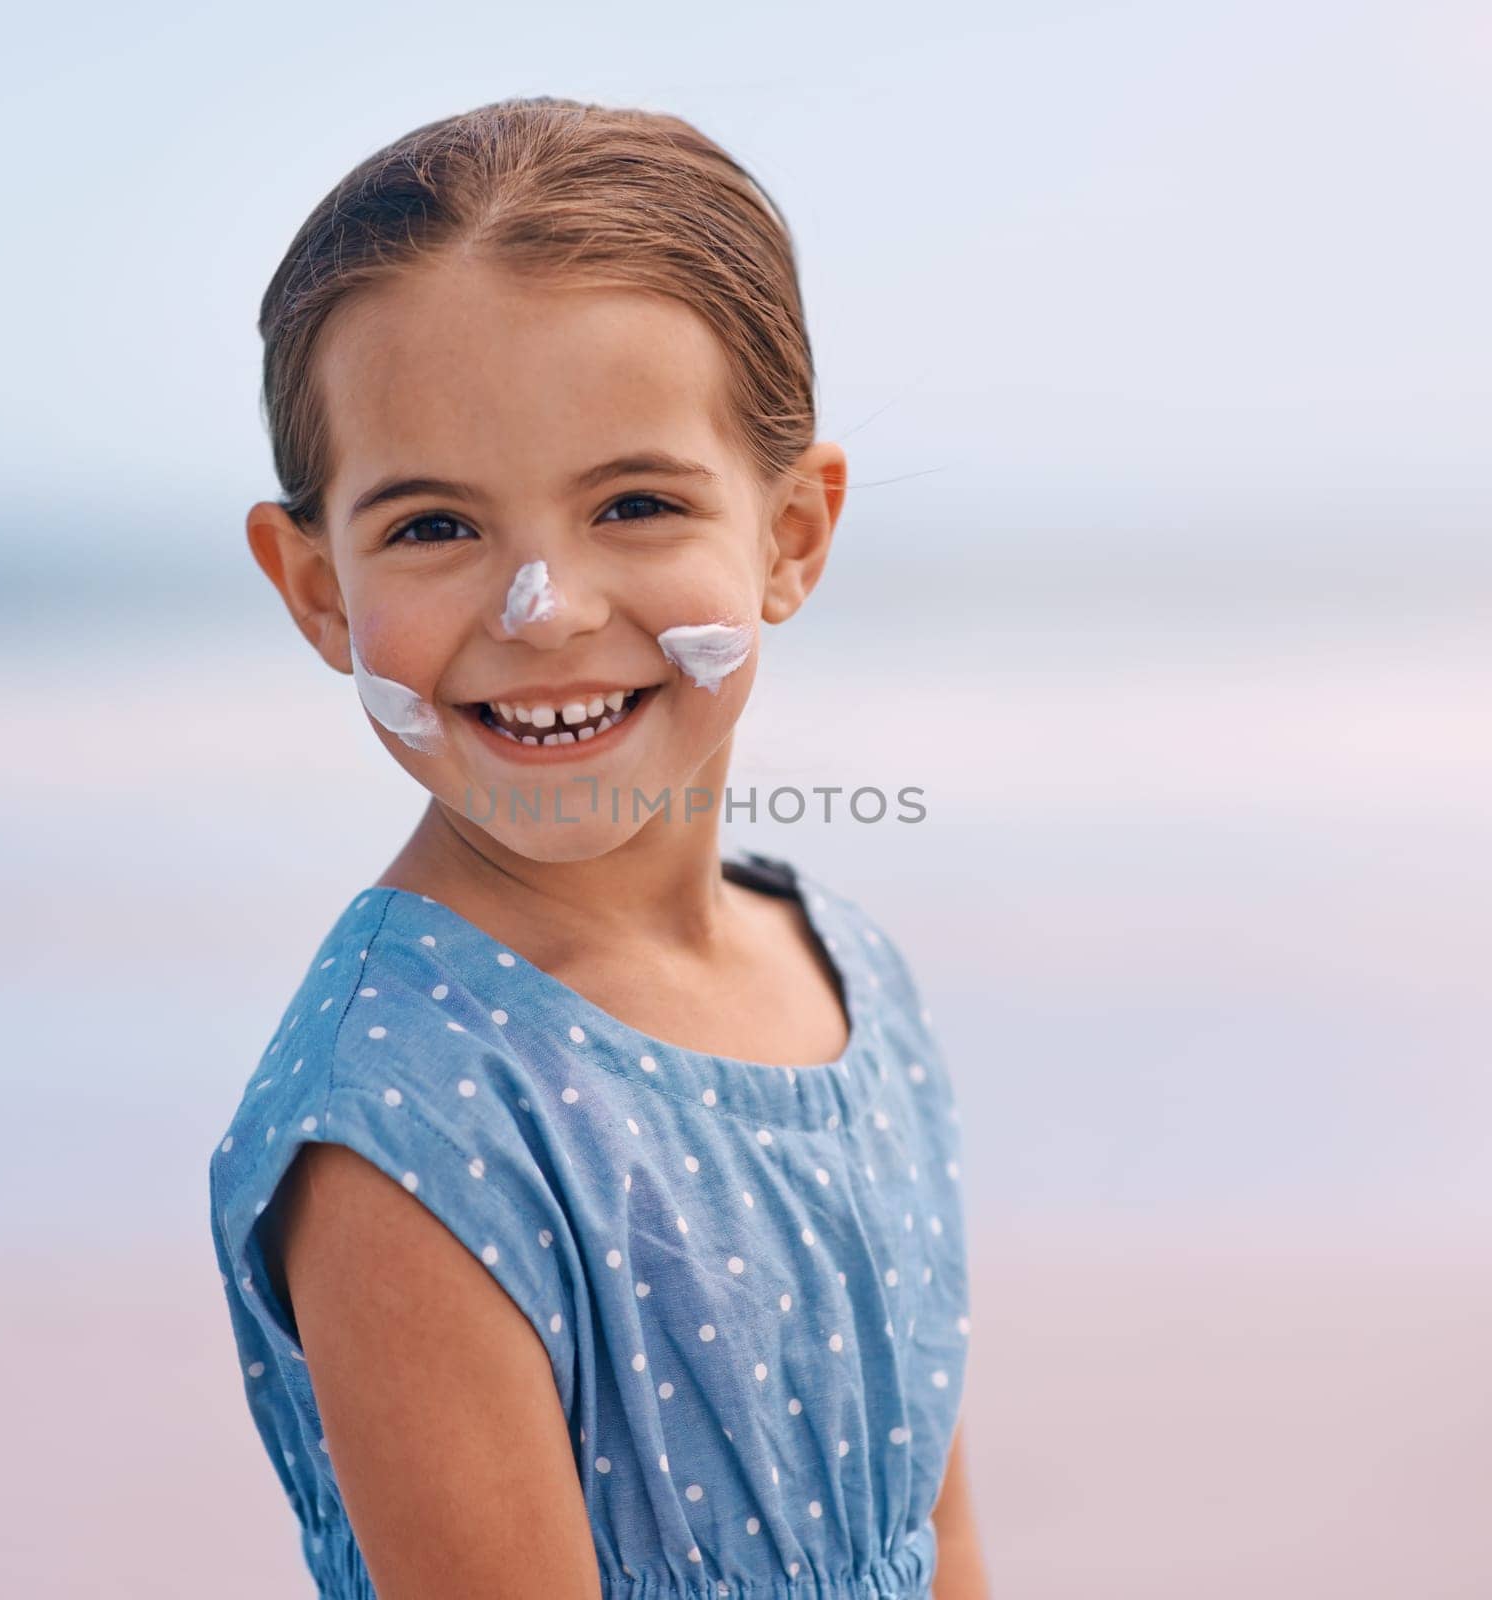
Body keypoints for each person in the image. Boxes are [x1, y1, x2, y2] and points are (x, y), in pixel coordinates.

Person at [207, 95, 988, 1600]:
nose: (544, 607)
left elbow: (935, 1539)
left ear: (791, 536)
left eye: (634, 503)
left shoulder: (849, 977)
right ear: (314, 588)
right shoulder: (405, 1128)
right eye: (434, 527)